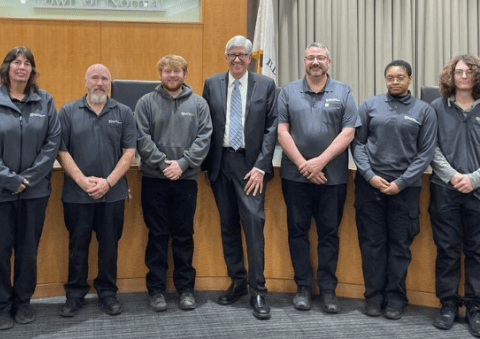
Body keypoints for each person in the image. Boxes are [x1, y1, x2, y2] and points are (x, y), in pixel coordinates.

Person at [0, 46, 61, 330]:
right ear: (7, 68)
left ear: (32, 70)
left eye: (27, 64)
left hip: (34, 193)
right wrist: (10, 179)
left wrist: (30, 178)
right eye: (16, 62)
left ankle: (23, 302)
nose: (21, 68)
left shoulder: (45, 101)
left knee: (27, 251)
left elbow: (52, 143)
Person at [277, 42, 360, 314]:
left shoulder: (343, 90)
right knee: (297, 232)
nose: (315, 62)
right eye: (310, 58)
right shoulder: (288, 91)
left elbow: (349, 132)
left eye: (320, 58)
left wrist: (319, 162)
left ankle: (327, 290)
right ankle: (302, 287)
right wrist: (303, 165)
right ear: (303, 62)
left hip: (332, 178)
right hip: (295, 177)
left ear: (329, 61)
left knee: (329, 234)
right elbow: (281, 131)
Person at [429, 55, 480, 338]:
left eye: (468, 72)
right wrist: (452, 176)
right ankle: (448, 304)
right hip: (445, 191)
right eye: (458, 71)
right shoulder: (437, 108)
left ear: (478, 77)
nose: (463, 76)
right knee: (447, 250)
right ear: (450, 76)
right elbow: (432, 149)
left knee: (476, 252)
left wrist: (473, 180)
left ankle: (475, 309)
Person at [352, 59, 437, 320]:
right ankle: (373, 297)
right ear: (385, 79)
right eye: (390, 77)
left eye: (400, 77)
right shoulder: (369, 105)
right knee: (372, 245)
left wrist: (401, 182)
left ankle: (396, 298)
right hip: (370, 187)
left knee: (400, 246)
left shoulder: (424, 110)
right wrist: (369, 175)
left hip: (406, 189)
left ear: (410, 79)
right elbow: (358, 144)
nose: (395, 82)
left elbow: (426, 153)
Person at [202, 36, 277, 320]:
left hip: (251, 166)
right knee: (228, 226)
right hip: (221, 164)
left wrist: (260, 166)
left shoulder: (266, 85)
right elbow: (205, 123)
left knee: (254, 227)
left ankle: (258, 290)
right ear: (225, 56)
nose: (237, 59)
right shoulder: (211, 84)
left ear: (250, 58)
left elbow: (272, 128)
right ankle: (238, 281)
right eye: (232, 54)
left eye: (242, 55)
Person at [56, 64, 138, 317]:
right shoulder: (68, 111)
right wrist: (82, 181)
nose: (100, 82)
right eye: (94, 78)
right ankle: (75, 294)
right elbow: (61, 150)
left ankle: (107, 293)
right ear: (85, 81)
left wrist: (108, 183)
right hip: (77, 195)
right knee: (77, 245)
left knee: (109, 246)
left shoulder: (124, 113)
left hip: (112, 194)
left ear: (110, 83)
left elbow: (129, 153)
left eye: (105, 78)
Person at [135, 54, 212, 312]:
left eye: (177, 71)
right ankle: (156, 290)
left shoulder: (199, 104)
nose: (172, 75)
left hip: (186, 180)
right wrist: (164, 163)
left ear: (184, 74)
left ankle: (185, 290)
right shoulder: (146, 102)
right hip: (154, 180)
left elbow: (204, 139)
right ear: (160, 74)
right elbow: (142, 139)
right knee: (156, 236)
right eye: (167, 71)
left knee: (183, 236)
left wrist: (182, 164)